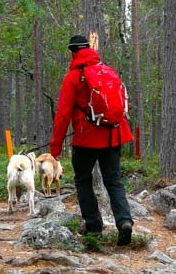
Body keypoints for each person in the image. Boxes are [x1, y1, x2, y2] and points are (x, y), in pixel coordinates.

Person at [48, 34, 134, 247]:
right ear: (89, 49)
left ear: (72, 52)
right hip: (114, 135)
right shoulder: (108, 71)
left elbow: (62, 115)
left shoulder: (73, 78)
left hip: (86, 140)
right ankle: (124, 221)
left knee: (83, 180)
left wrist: (55, 147)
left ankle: (94, 227)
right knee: (113, 181)